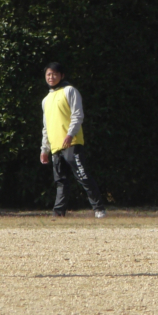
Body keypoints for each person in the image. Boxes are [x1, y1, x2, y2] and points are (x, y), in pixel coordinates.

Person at [39, 62, 107, 218]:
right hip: (56, 146)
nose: (51, 77)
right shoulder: (46, 100)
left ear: (62, 75)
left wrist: (70, 134)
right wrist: (44, 149)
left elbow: (77, 115)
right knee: (60, 181)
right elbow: (46, 127)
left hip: (72, 142)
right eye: (48, 74)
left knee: (82, 176)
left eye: (54, 74)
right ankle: (58, 213)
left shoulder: (70, 91)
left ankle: (99, 209)